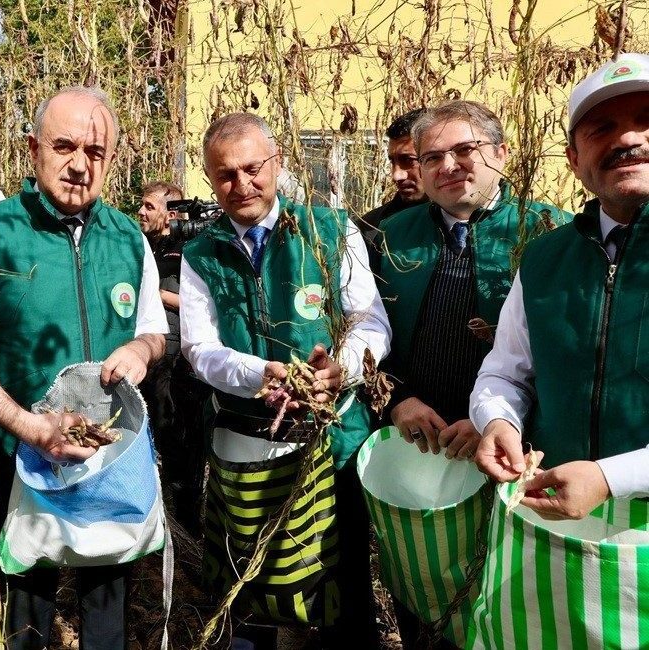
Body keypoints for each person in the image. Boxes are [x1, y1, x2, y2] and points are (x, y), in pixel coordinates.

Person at [0, 86, 167, 650]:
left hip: (106, 458)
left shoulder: (129, 237)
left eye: (96, 152)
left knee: (107, 604)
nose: (80, 165)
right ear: (33, 149)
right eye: (64, 146)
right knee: (21, 611)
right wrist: (30, 428)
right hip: (16, 457)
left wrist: (142, 351)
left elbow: (154, 330)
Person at [180, 112, 391, 649]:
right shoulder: (203, 253)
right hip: (248, 439)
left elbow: (369, 320)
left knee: (336, 578)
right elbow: (199, 349)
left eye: (253, 169)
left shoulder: (328, 228)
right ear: (210, 178)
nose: (241, 185)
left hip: (333, 435)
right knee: (248, 573)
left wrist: (339, 368)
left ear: (276, 164)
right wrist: (259, 373)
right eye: (225, 175)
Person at [374, 99, 569, 648]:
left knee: (503, 595)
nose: (448, 166)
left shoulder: (546, 235)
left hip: (511, 449)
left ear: (500, 155)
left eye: (465, 150)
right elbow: (364, 333)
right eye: (432, 157)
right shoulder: (387, 237)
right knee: (421, 584)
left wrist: (495, 423)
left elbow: (557, 357)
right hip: (421, 442)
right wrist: (398, 401)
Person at [472, 53, 649, 519]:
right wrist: (497, 421)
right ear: (574, 159)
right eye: (602, 129)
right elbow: (506, 371)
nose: (628, 138)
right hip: (555, 519)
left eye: (647, 121)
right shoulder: (544, 259)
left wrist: (612, 478)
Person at [137, 180, 211, 535]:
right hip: (149, 356)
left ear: (171, 211)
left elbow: (200, 304)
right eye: (141, 205)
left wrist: (153, 294)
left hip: (180, 360)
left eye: (149, 206)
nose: (141, 212)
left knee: (182, 437)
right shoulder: (146, 248)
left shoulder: (190, 249)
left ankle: (186, 527)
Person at [359, 108, 428, 247]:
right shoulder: (371, 229)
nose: (396, 175)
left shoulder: (475, 222)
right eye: (392, 162)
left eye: (408, 160)